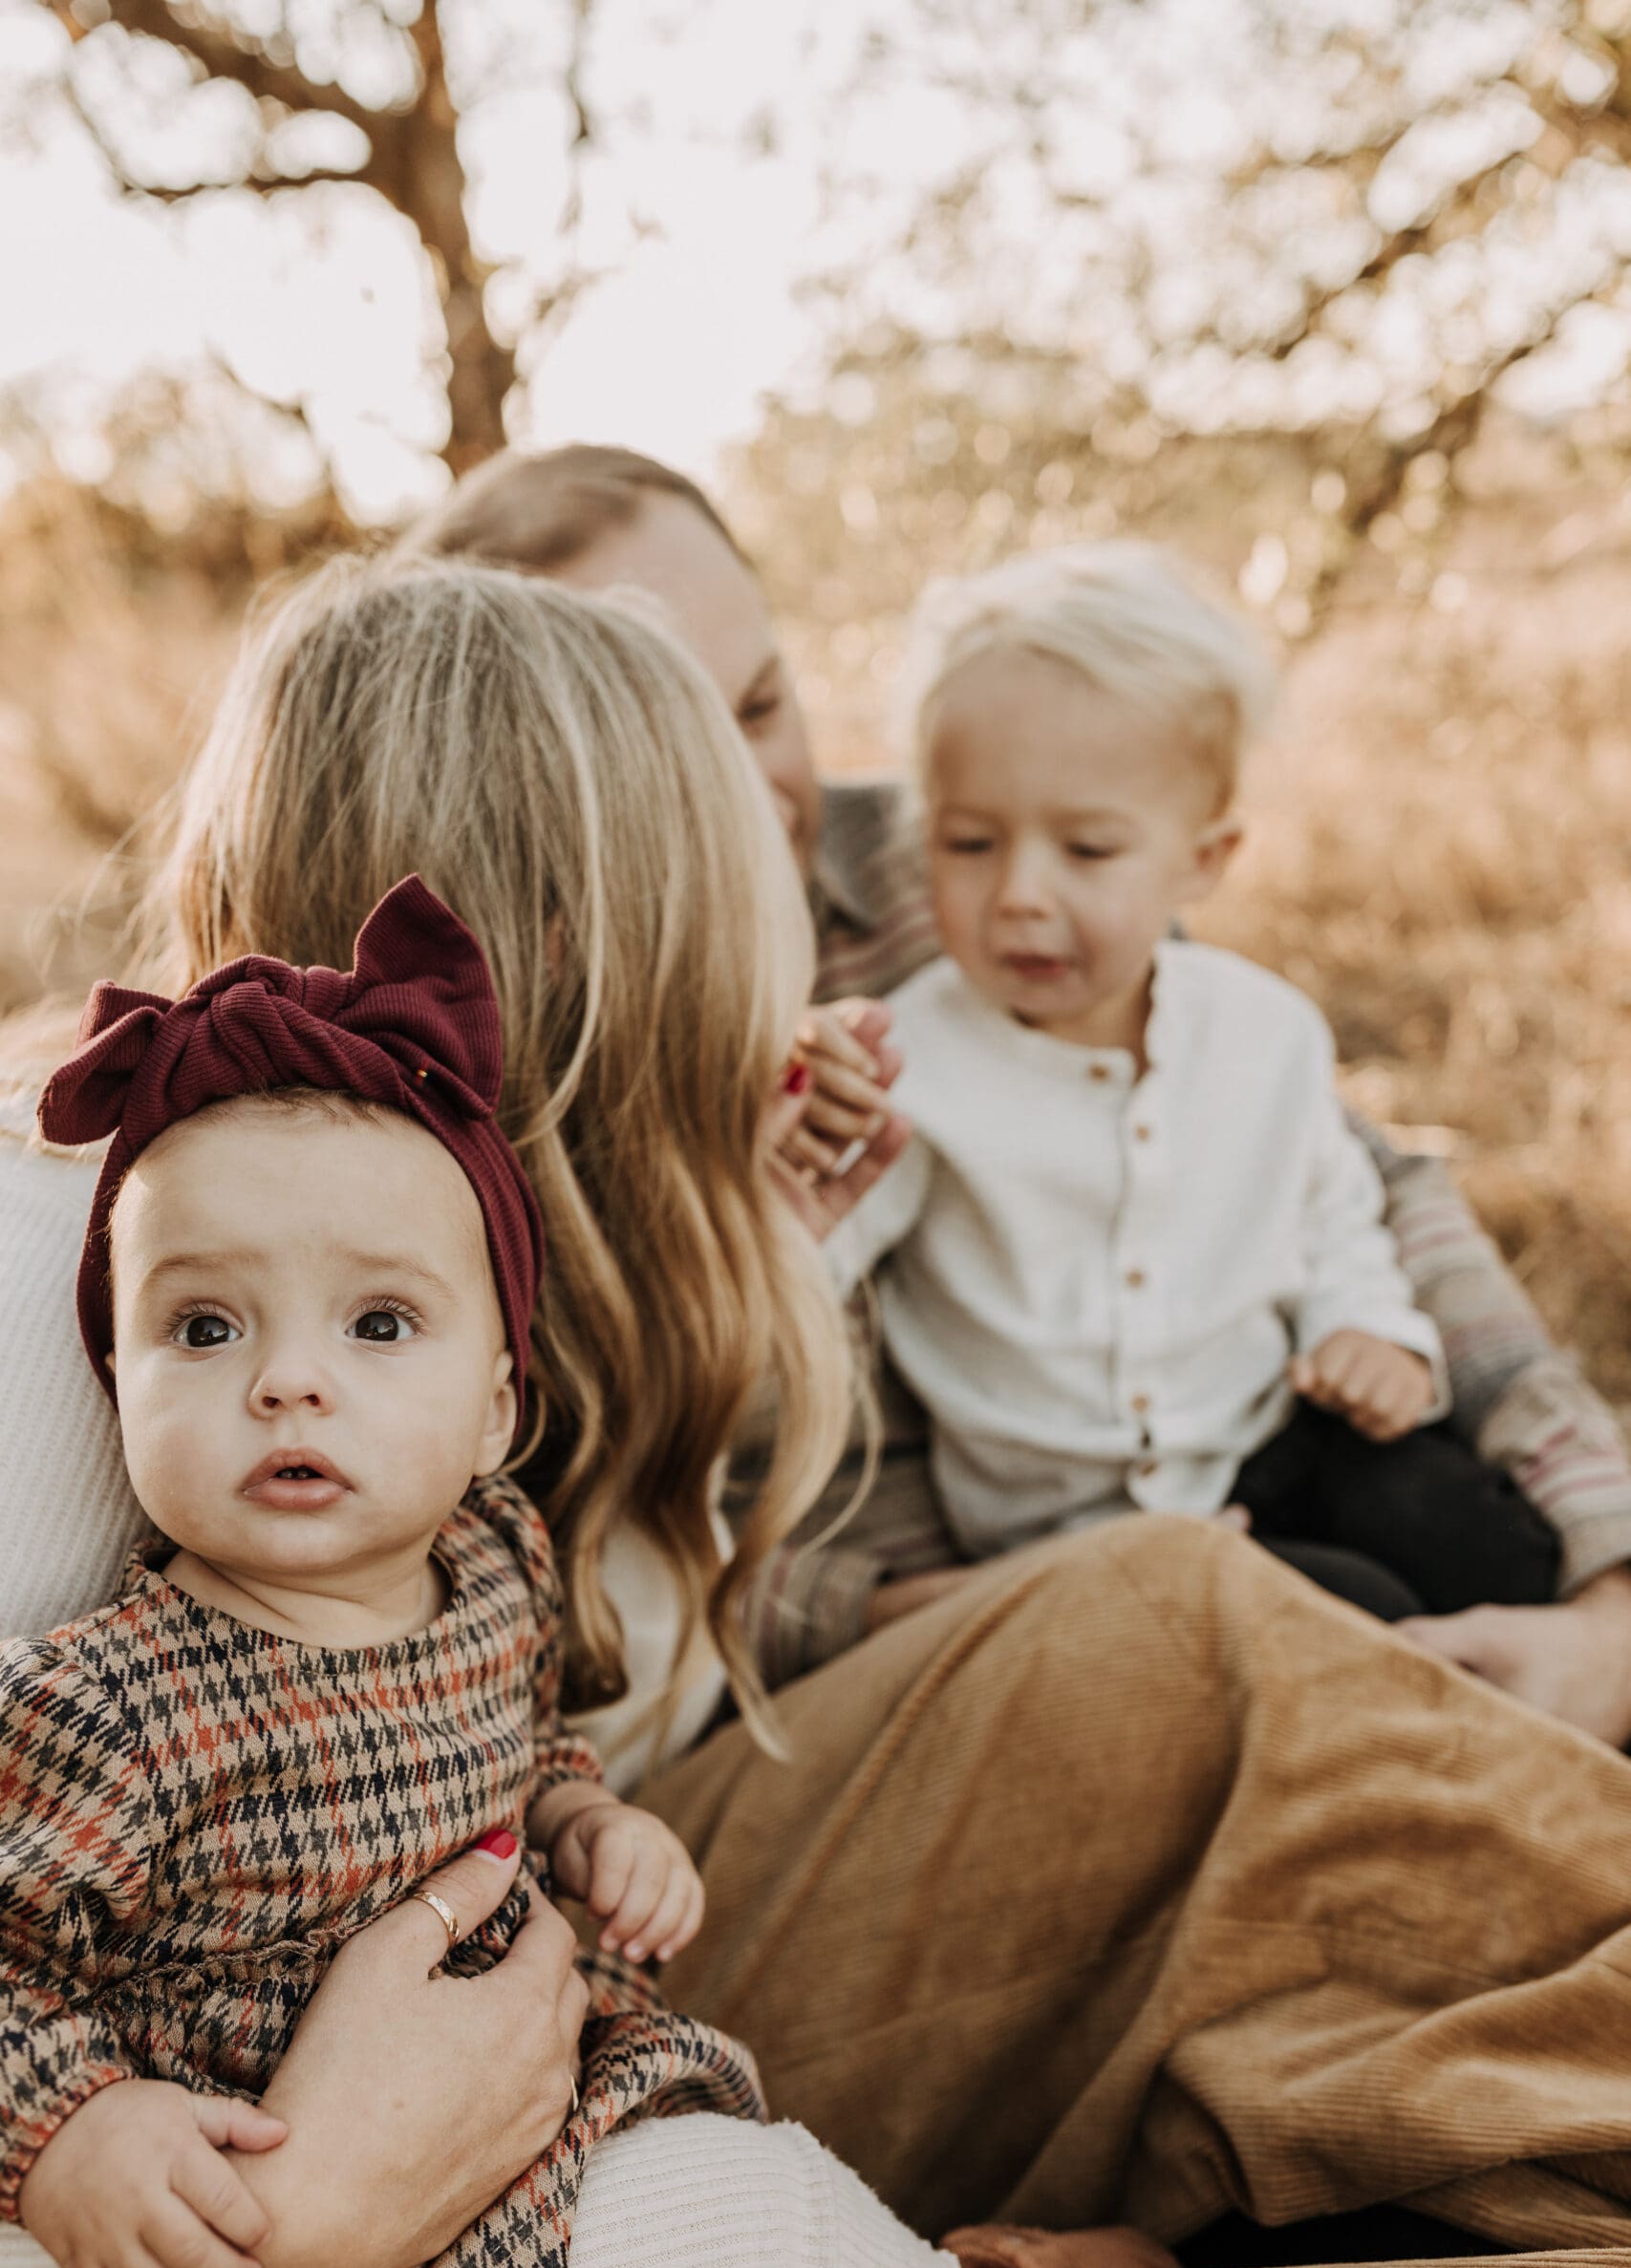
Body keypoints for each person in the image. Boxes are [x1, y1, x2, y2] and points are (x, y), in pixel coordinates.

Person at [10, 553, 1631, 2268]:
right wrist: (302, 2218)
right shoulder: (90, 1300)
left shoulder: (483, 1277)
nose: (814, 855)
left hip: (578, 2007)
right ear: (609, 952)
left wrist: (750, 1295)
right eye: (750, 855)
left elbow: (521, 1685)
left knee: (1178, 1617)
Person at [404, 442, 1631, 1735]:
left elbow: (1349, 1187)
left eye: (764, 706)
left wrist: (1610, 1596)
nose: (757, 793)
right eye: (679, 743)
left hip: (1229, 1485)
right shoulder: (476, 1093)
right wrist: (940, 1610)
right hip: (891, 1693)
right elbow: (567, 1554)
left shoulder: (971, 861)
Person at [814, 540, 1559, 1623]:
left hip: (1275, 1435)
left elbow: (1337, 1214)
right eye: (970, 843)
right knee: (1354, 1613)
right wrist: (781, 1143)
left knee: (1478, 1539)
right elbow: (802, 1269)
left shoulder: (1264, 1035)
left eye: (1088, 850)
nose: (1021, 894)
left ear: (1202, 859)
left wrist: (1371, 1331)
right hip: (1076, 1535)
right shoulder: (907, 1063)